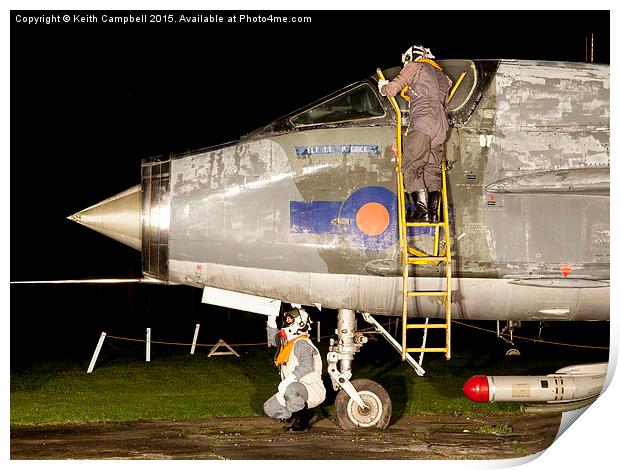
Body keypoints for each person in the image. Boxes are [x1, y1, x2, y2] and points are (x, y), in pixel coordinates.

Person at [378, 45, 452, 223]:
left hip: (422, 123)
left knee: (411, 167)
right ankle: (434, 214)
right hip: (440, 127)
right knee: (432, 170)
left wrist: (383, 87)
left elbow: (392, 90)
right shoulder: (442, 76)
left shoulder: (415, 66)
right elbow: (429, 92)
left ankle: (422, 212)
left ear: (410, 57)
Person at [263, 307, 326, 432]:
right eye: (286, 319)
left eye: (289, 319)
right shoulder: (290, 343)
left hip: (311, 388)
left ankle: (304, 418)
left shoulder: (301, 343)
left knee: (290, 388)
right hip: (294, 389)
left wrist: (287, 381)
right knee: (269, 408)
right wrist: (271, 320)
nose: (286, 322)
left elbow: (307, 366)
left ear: (300, 323)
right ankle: (294, 414)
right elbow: (275, 341)